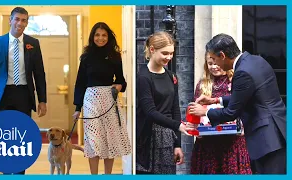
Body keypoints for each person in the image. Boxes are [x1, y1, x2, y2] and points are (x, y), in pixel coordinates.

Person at [189, 33, 286, 174]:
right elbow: (249, 96)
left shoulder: (242, 72)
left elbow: (231, 112)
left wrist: (205, 111)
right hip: (278, 130)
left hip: (267, 138)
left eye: (215, 60)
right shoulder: (257, 60)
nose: (216, 65)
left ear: (222, 55)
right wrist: (216, 100)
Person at [0, 7, 47, 175]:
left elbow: (39, 74)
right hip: (3, 96)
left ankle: (20, 173)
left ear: (27, 23)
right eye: (17, 19)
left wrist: (42, 100)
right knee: (5, 138)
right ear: (10, 20)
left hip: (24, 95)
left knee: (22, 139)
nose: (20, 23)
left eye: (24, 20)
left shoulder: (33, 43)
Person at [72, 22, 131, 175]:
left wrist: (118, 87)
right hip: (91, 99)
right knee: (93, 140)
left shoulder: (115, 56)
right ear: (93, 37)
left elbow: (121, 81)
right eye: (97, 35)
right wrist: (77, 108)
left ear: (108, 37)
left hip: (109, 99)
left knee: (109, 139)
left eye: (104, 35)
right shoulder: (86, 57)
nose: (100, 38)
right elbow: (80, 83)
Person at [136, 31, 195, 174]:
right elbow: (150, 112)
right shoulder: (143, 77)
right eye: (165, 53)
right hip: (149, 139)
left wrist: (177, 144)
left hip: (168, 137)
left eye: (171, 53)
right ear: (152, 50)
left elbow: (175, 109)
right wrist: (179, 126)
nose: (169, 57)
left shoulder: (171, 76)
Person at [190, 52, 252, 174]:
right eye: (210, 63)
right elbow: (195, 110)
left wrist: (243, 125)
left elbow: (243, 106)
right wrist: (196, 128)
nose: (214, 66)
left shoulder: (236, 80)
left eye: (216, 63)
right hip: (208, 144)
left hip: (232, 142)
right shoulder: (203, 84)